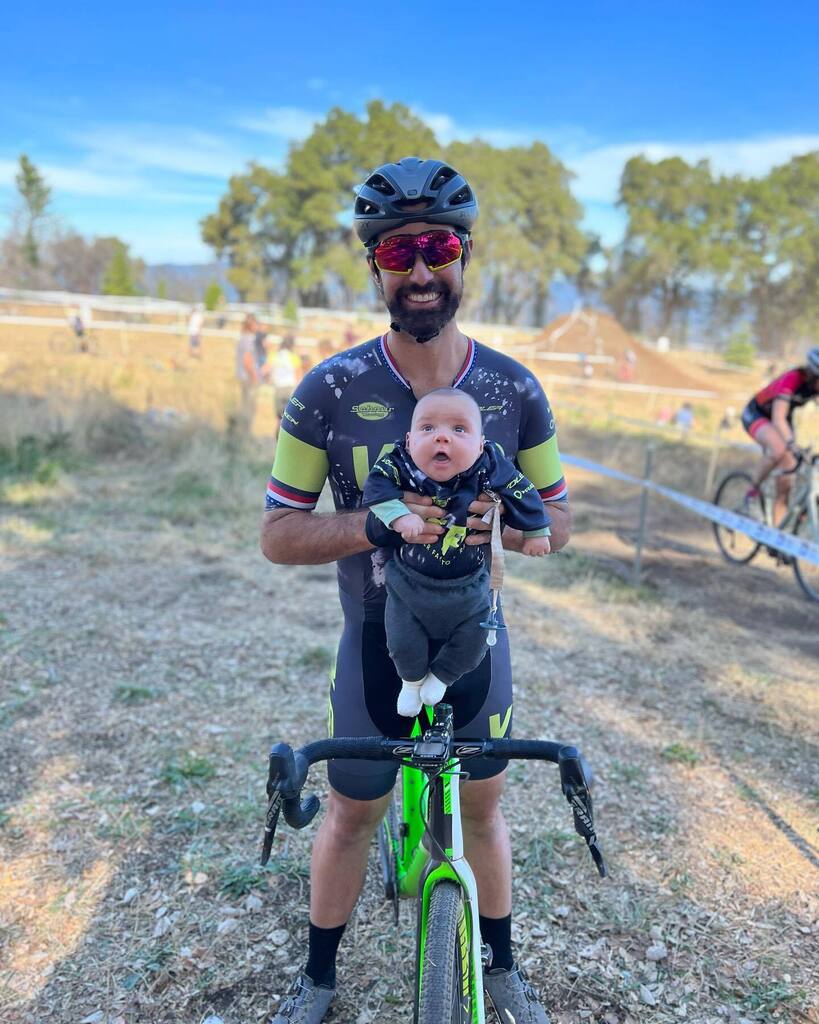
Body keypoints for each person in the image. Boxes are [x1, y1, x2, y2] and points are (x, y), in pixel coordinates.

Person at [261, 157, 570, 1024]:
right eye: (398, 253)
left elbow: (556, 517)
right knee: (350, 814)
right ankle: (318, 979)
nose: (421, 270)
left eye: (438, 247)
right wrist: (377, 525)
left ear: (466, 254)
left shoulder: (515, 389)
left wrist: (514, 528)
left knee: (482, 809)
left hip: (473, 631)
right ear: (374, 266)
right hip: (374, 636)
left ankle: (500, 968)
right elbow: (277, 534)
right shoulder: (326, 390)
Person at [364, 388, 550, 717]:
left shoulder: (490, 464)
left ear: (480, 445)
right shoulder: (399, 462)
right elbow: (376, 485)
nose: (442, 437)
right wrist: (399, 516)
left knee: (474, 641)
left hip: (469, 588)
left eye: (459, 429)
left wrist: (535, 530)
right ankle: (412, 682)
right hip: (409, 585)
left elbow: (522, 489)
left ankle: (442, 676)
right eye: (428, 428)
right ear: (409, 440)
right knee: (402, 641)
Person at [741, 348, 819, 523]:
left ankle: (778, 533)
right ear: (813, 375)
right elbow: (778, 418)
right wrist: (791, 443)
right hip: (758, 413)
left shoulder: (815, 386)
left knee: (786, 482)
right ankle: (751, 494)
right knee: (778, 449)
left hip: (782, 419)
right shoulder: (792, 379)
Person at [269, 334, 303, 435]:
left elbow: (267, 369)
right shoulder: (294, 357)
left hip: (278, 389)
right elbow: (298, 375)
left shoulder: (275, 355)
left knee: (278, 418)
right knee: (290, 418)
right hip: (290, 389)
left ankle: (277, 438)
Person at [235, 314, 262, 433]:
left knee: (245, 404)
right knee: (249, 406)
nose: (257, 326)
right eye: (256, 324)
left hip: (244, 376)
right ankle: (245, 431)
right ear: (250, 325)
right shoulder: (248, 339)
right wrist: (254, 376)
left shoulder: (243, 338)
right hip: (248, 378)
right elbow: (247, 360)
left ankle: (243, 430)